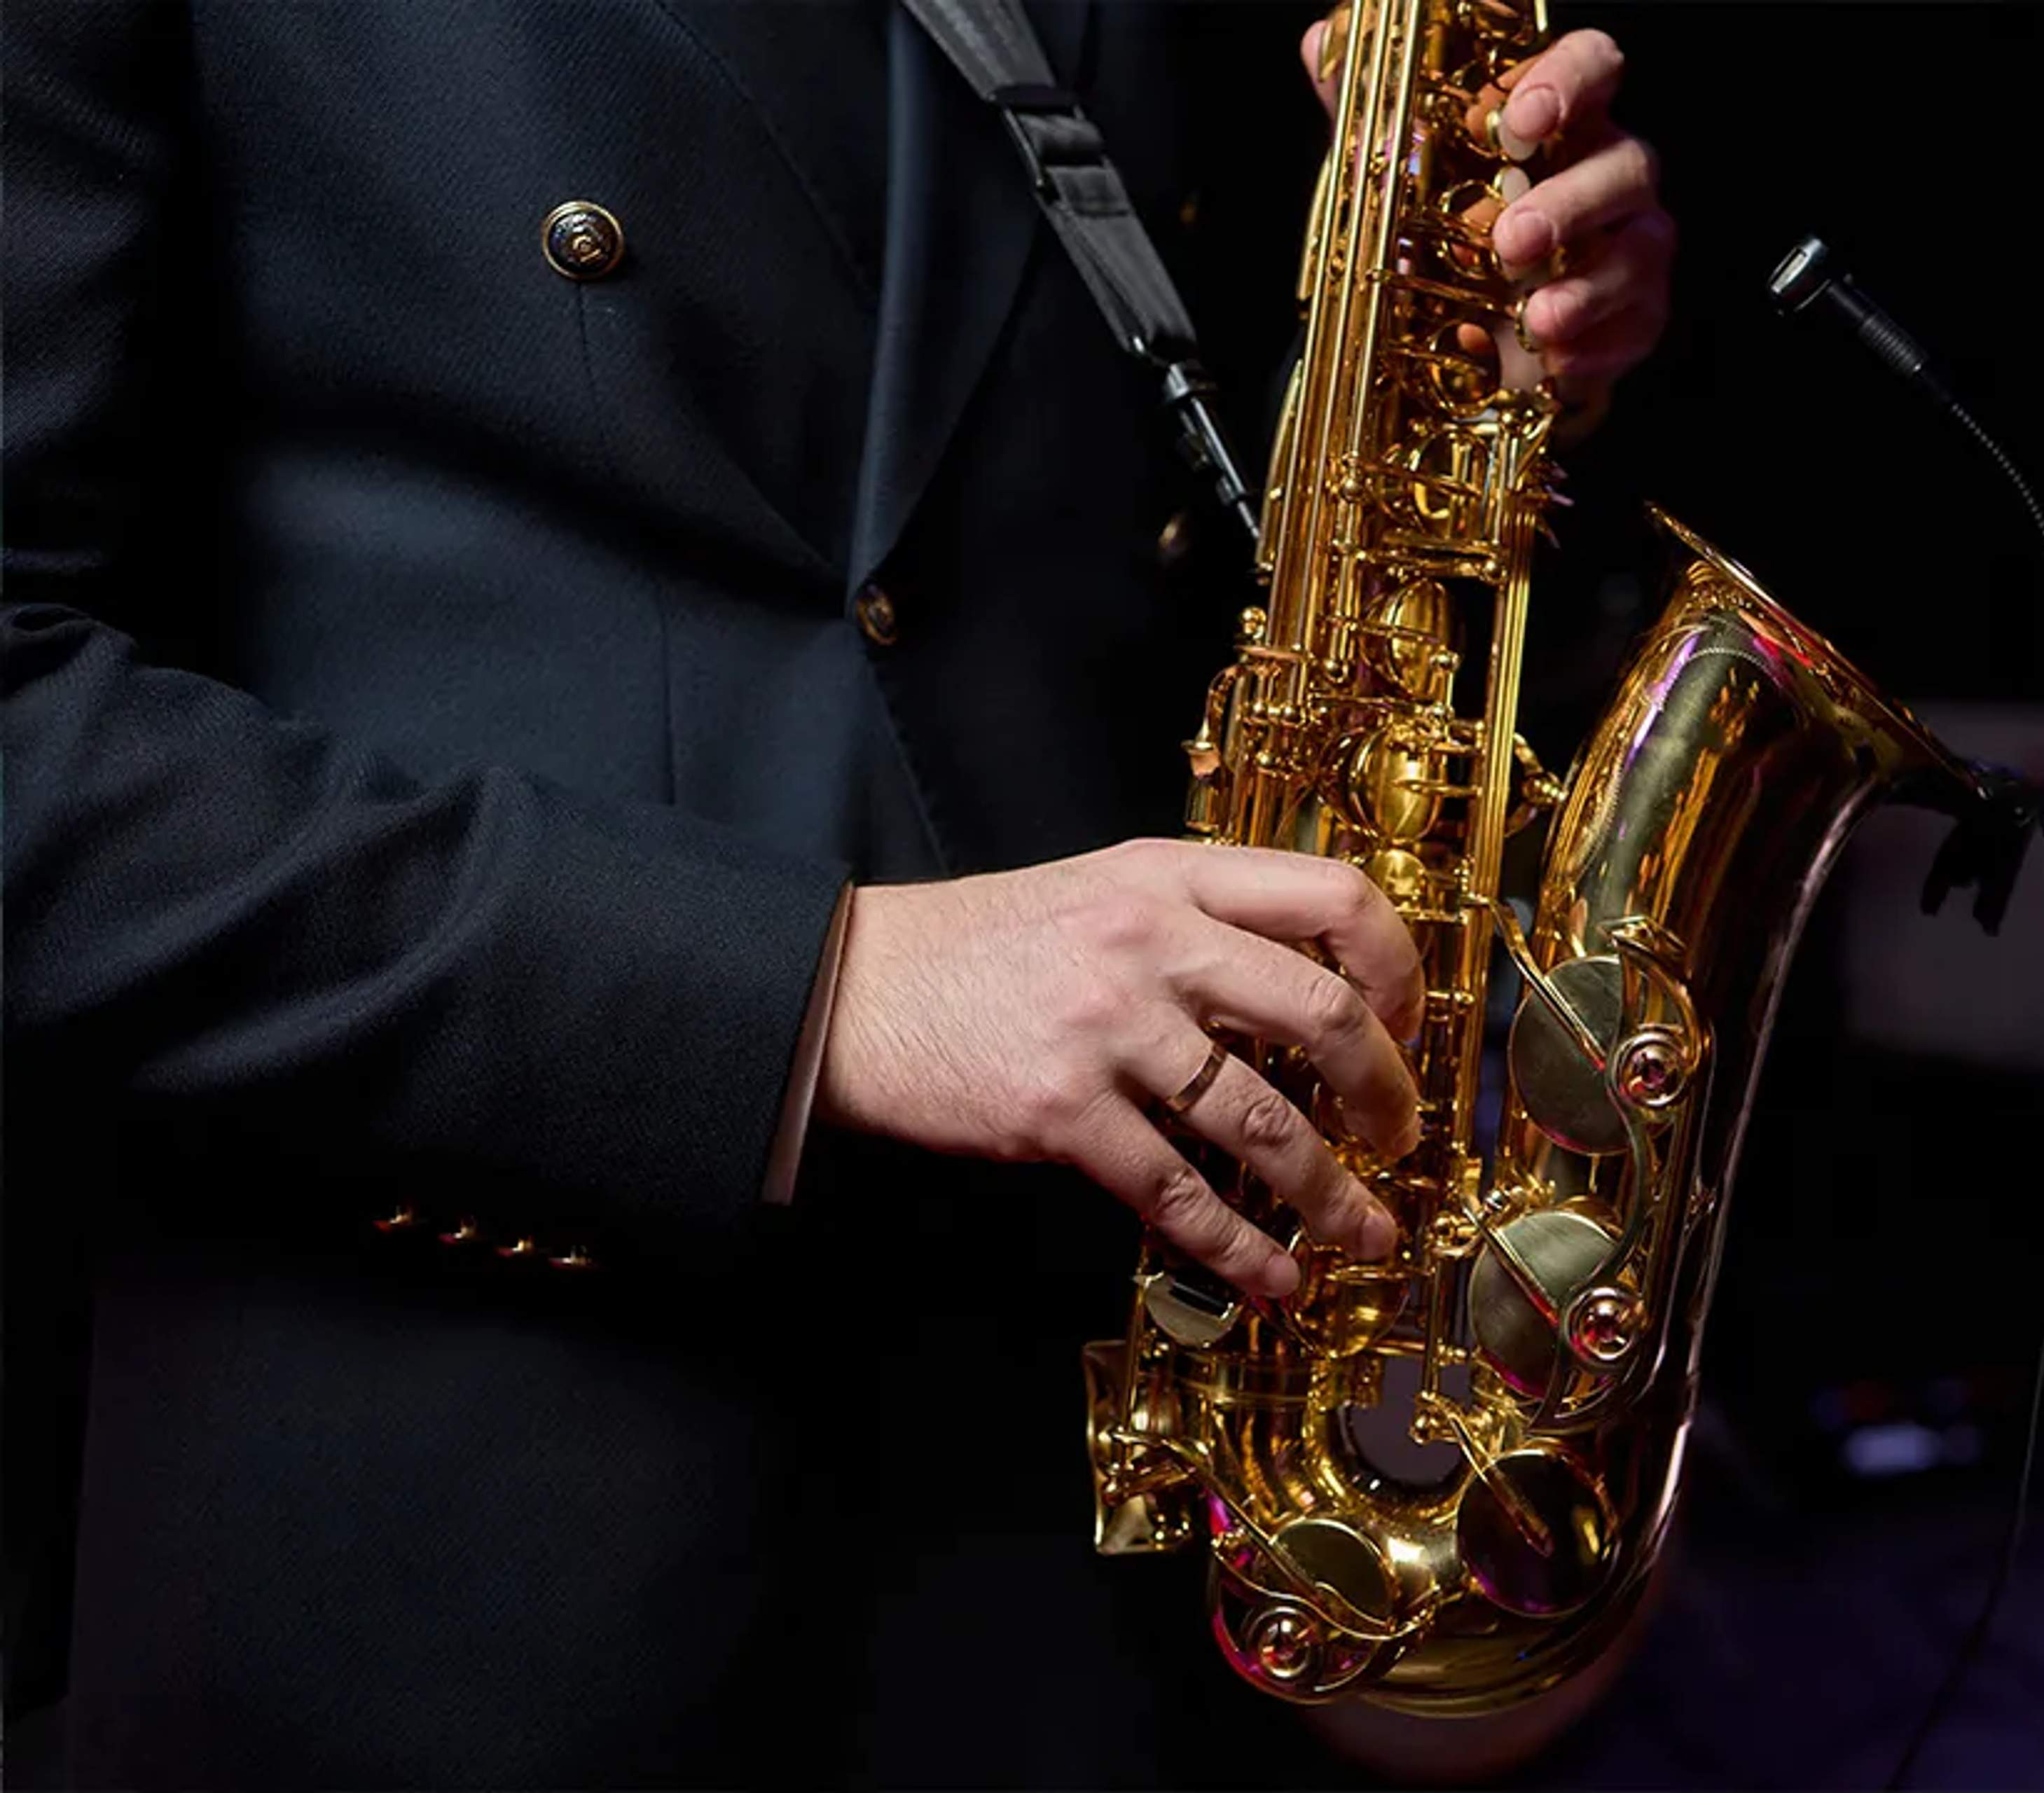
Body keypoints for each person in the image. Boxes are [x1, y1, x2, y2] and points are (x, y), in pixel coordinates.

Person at [0, 1, 1675, 1785]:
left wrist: (1483, 404)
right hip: (445, 1538)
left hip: (1071, 1524)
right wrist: (815, 987)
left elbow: (1107, 591)